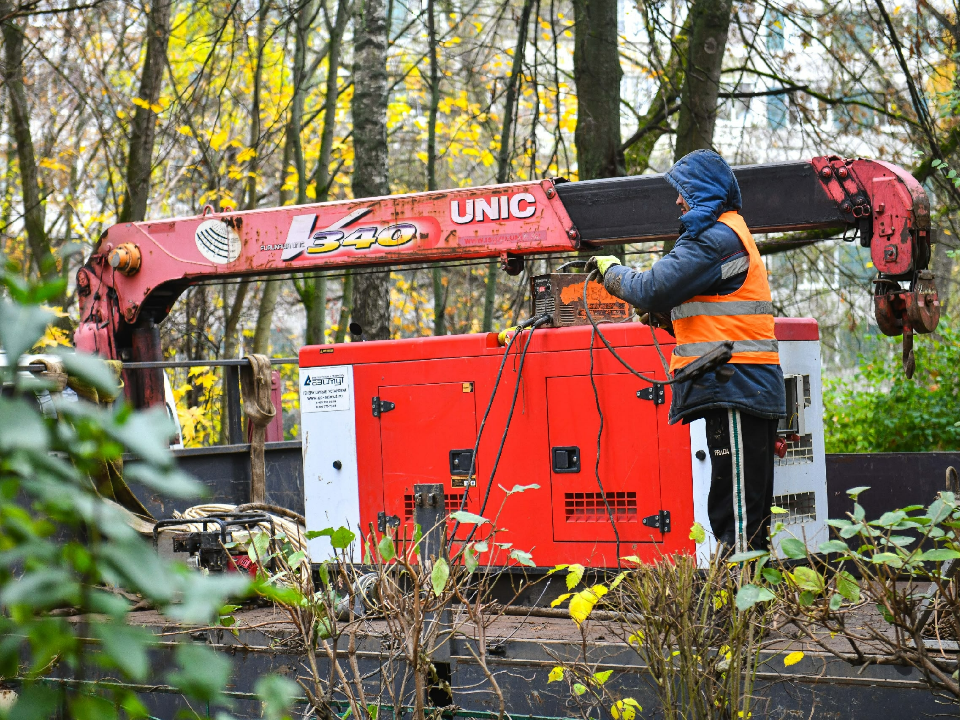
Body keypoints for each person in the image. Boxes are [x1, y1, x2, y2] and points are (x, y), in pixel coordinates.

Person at [587, 149, 786, 553]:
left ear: (705, 192)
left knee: (737, 518)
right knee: (741, 512)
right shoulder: (730, 235)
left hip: (735, 383)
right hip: (742, 384)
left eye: (684, 191)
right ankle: (745, 589)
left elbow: (649, 288)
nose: (678, 201)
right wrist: (669, 318)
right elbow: (716, 304)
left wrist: (612, 272)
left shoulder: (714, 238)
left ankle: (738, 593)